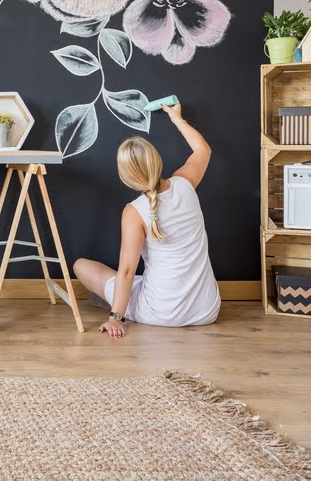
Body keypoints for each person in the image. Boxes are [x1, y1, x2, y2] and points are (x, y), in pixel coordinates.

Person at [73, 102, 220, 339]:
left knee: (81, 265)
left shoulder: (134, 211)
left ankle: (117, 304)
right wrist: (176, 118)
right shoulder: (186, 184)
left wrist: (115, 318)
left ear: (126, 177)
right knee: (144, 277)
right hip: (206, 310)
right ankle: (121, 299)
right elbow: (203, 150)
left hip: (160, 312)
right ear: (157, 160)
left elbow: (127, 271)